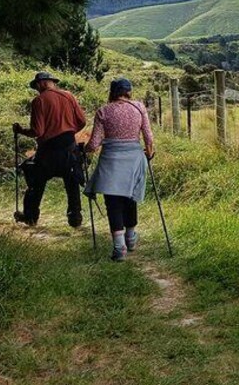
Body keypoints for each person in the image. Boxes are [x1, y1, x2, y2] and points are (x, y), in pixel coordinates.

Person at [84, 78, 155, 261]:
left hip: (111, 160)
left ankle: (119, 247)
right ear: (129, 91)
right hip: (133, 157)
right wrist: (149, 152)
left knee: (113, 202)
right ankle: (130, 238)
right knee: (130, 198)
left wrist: (84, 150)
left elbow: (94, 144)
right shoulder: (139, 108)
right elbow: (148, 137)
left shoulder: (103, 111)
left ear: (112, 92)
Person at [13, 72, 87, 227]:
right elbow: (82, 121)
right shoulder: (69, 96)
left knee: (36, 182)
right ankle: (75, 219)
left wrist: (21, 131)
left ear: (41, 83)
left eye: (36, 86)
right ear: (52, 82)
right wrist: (70, 131)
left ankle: (31, 217)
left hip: (48, 150)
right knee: (71, 182)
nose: (37, 90)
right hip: (69, 147)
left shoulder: (39, 101)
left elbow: (38, 132)